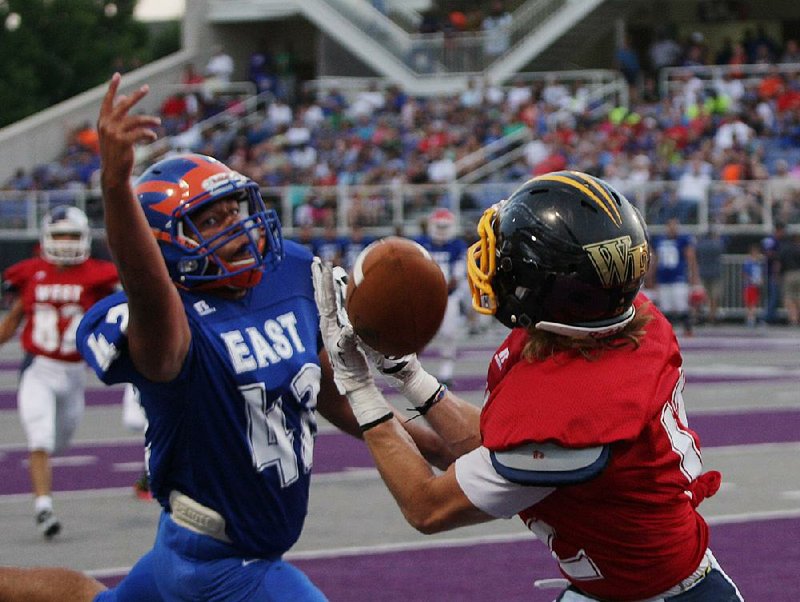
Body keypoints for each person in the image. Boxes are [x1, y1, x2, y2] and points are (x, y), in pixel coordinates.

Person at [0, 72, 451, 602]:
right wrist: (116, 188)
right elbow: (150, 297)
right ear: (168, 247)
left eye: (235, 209)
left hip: (211, 544)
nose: (240, 226)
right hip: (216, 559)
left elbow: (324, 386)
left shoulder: (288, 275)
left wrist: (432, 446)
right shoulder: (168, 324)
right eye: (211, 220)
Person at [312, 171, 743, 601]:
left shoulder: (576, 418)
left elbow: (427, 505)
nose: (492, 260)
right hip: (627, 580)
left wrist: (359, 385)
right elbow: (493, 445)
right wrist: (408, 375)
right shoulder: (621, 324)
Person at [0, 205, 119, 539]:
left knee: (60, 442)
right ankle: (44, 507)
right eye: (59, 235)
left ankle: (44, 497)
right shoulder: (29, 272)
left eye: (71, 235)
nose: (65, 242)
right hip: (38, 367)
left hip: (74, 375)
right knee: (39, 437)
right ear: (45, 239)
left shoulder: (100, 275)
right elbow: (13, 321)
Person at [416, 208, 468, 386]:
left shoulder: (457, 246)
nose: (441, 230)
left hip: (448, 297)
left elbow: (457, 275)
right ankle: (413, 372)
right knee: (418, 335)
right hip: (425, 297)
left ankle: (446, 373)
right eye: (438, 226)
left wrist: (441, 286)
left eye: (444, 226)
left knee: (448, 334)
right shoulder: (422, 244)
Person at [648, 217, 700, 336]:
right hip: (663, 277)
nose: (672, 228)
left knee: (681, 305)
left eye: (674, 225)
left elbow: (690, 258)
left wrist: (694, 276)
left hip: (678, 277)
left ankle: (688, 329)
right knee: (665, 307)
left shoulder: (683, 240)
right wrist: (651, 276)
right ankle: (666, 332)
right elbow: (655, 260)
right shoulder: (659, 240)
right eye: (670, 225)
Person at [694, 226, 726, 324]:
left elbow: (697, 253)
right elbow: (722, 249)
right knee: (714, 296)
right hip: (715, 273)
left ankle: (698, 316)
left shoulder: (701, 245)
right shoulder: (717, 244)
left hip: (703, 272)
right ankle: (712, 317)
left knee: (702, 296)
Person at [742, 243, 765, 327]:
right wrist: (751, 280)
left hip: (756, 286)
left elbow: (760, 274)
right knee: (749, 303)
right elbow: (745, 274)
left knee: (754, 303)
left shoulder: (758, 263)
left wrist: (760, 280)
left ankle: (752, 318)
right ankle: (750, 319)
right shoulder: (748, 263)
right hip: (749, 285)